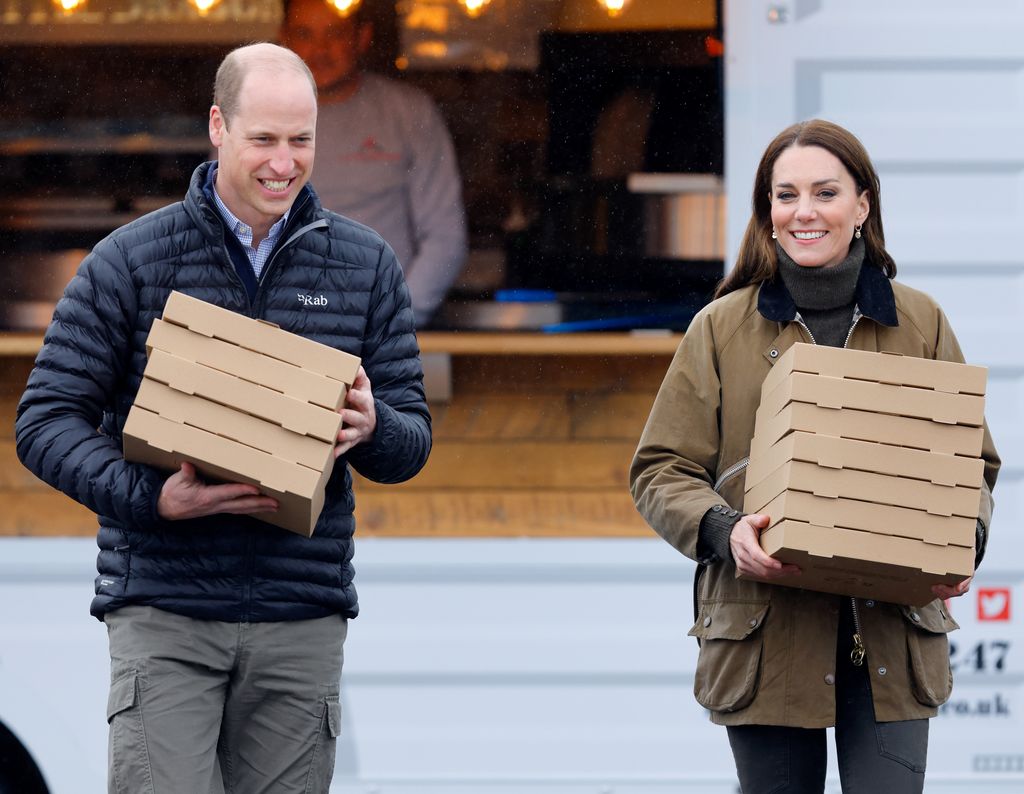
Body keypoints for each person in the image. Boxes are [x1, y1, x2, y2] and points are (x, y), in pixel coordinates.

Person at [15, 43, 431, 794]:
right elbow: (44, 422)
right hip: (166, 611)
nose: (284, 162)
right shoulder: (131, 261)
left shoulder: (365, 265)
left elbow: (411, 442)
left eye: (300, 139)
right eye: (263, 139)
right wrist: (152, 498)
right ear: (218, 127)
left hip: (300, 618)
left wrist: (378, 428)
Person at [629, 119, 1000, 793]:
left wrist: (962, 539)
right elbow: (661, 468)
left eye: (825, 192)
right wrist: (722, 530)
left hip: (891, 632)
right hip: (764, 631)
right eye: (786, 194)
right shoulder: (720, 328)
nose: (804, 211)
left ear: (862, 205)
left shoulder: (920, 321)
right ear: (767, 213)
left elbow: (969, 461)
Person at [281, 0, 468, 327]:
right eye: (303, 34)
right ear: (284, 40)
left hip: (382, 333)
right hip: (282, 335)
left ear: (362, 36)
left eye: (334, 33)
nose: (319, 50)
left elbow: (445, 236)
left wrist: (394, 323)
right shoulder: (254, 118)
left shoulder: (409, 112)